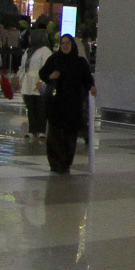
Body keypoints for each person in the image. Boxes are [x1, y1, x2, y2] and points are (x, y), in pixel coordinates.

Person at [39, 33, 95, 175]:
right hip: (56, 104)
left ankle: (66, 163)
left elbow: (87, 79)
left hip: (73, 104)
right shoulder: (55, 59)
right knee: (55, 134)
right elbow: (43, 73)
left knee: (70, 135)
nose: (65, 46)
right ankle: (55, 162)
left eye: (68, 43)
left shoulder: (79, 62)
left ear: (72, 45)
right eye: (63, 43)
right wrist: (51, 76)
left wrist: (92, 87)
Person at [18, 35, 53, 138]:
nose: (29, 39)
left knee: (41, 107)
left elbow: (47, 67)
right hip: (28, 82)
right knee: (31, 106)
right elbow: (23, 66)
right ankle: (32, 129)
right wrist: (18, 78)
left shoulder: (45, 51)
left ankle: (41, 130)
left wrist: (42, 80)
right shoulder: (28, 50)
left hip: (39, 81)